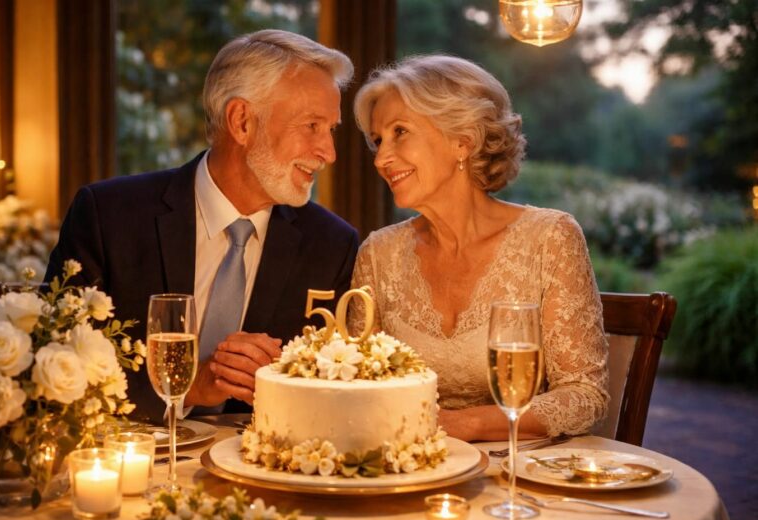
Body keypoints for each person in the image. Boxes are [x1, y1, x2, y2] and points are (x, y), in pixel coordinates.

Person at [46, 30, 359, 423]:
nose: (328, 152)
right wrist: (190, 385)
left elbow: (337, 395)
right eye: (312, 126)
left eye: (331, 129)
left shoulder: (332, 245)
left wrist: (290, 380)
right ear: (241, 121)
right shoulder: (108, 216)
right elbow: (54, 366)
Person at [350, 55, 608, 441]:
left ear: (462, 141)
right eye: (378, 141)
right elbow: (355, 385)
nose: (382, 159)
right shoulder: (378, 254)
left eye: (399, 132)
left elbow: (585, 397)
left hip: (520, 479)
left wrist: (468, 425)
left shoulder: (549, 238)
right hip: (412, 471)